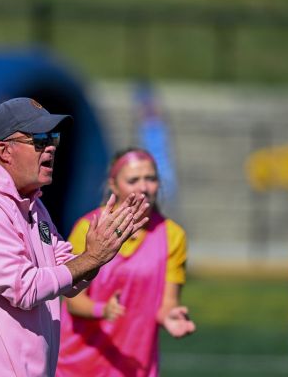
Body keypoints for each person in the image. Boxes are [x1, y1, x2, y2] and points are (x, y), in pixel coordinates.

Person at [0, 97, 149, 377]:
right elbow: (23, 288)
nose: (50, 147)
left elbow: (68, 277)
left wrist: (102, 251)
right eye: (39, 140)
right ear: (4, 150)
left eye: (53, 137)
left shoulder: (33, 203)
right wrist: (91, 258)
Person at [56, 148, 196, 377]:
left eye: (150, 179)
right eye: (133, 180)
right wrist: (102, 309)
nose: (143, 187)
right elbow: (72, 299)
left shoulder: (173, 236)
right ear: (113, 184)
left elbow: (167, 303)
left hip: (134, 362)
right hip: (77, 361)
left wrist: (170, 316)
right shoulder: (88, 227)